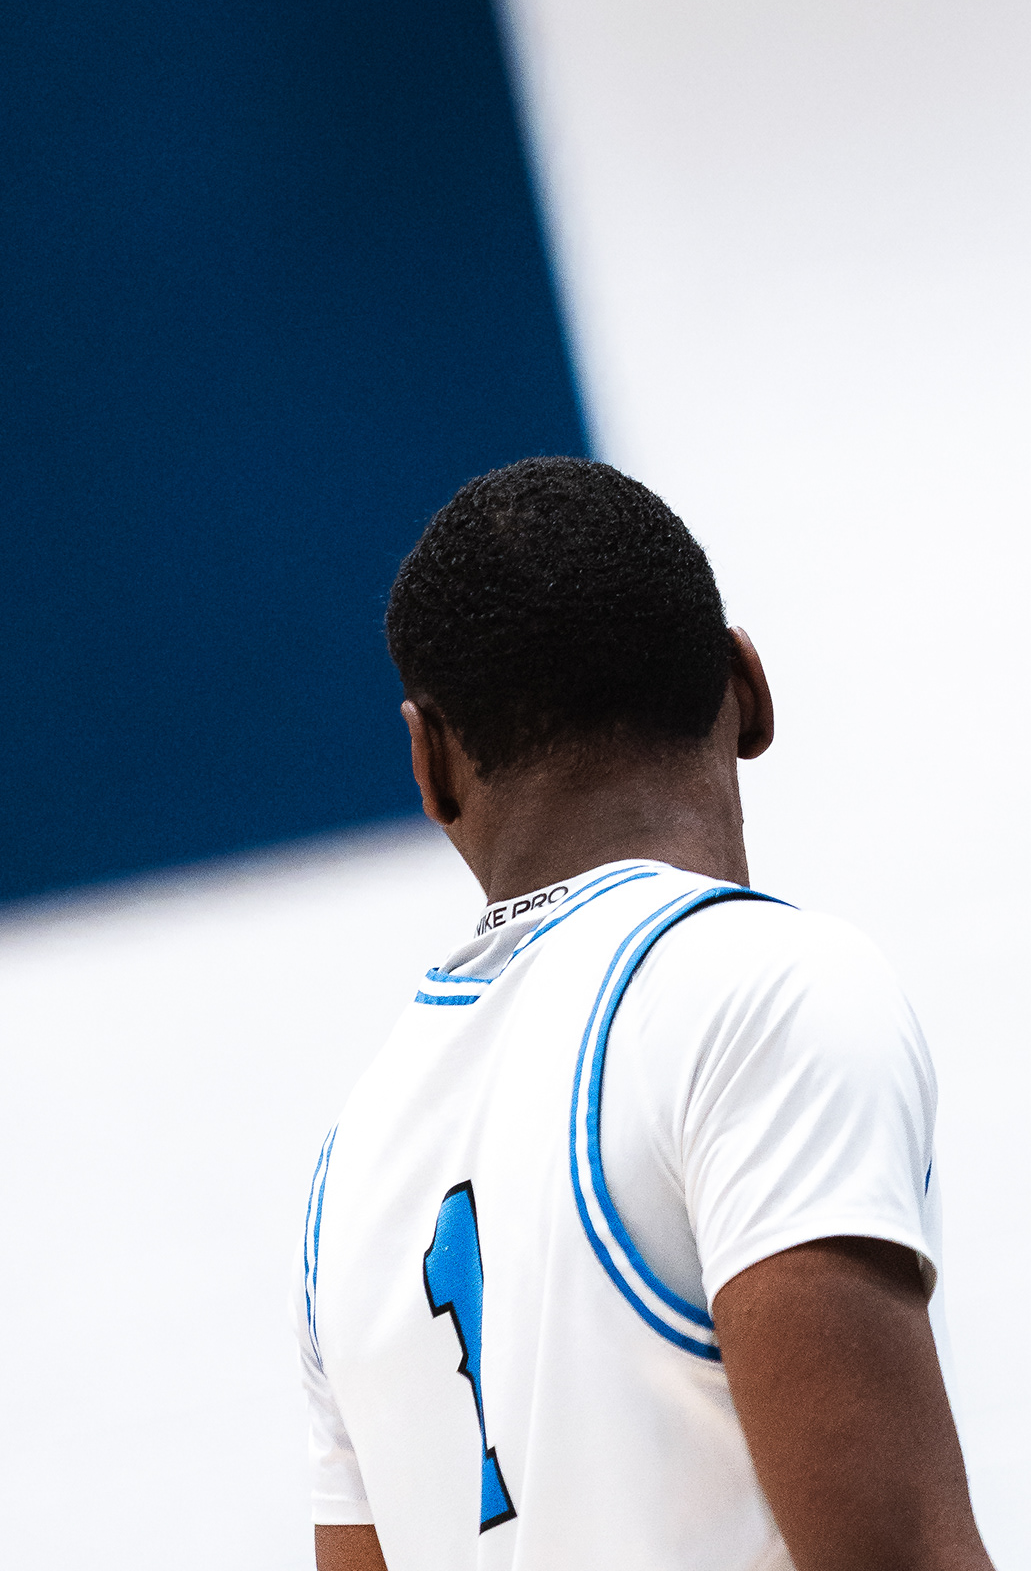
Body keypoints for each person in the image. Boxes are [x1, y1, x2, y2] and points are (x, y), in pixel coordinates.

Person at [297, 455, 994, 1571]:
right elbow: (896, 1554)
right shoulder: (761, 991)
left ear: (429, 765)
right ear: (748, 686)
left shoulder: (349, 1176)